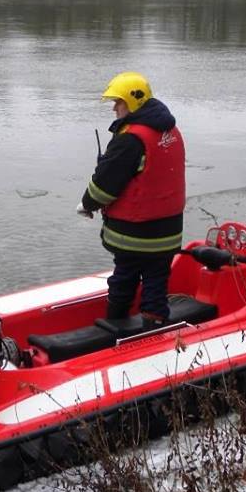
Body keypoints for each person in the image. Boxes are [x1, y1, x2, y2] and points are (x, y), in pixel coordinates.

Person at [77, 71, 186, 329]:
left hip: (135, 235)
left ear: (133, 102)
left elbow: (105, 185)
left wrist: (87, 204)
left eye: (119, 102)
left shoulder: (131, 140)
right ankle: (155, 328)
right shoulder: (169, 130)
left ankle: (113, 329)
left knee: (123, 279)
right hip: (168, 233)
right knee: (156, 282)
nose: (114, 108)